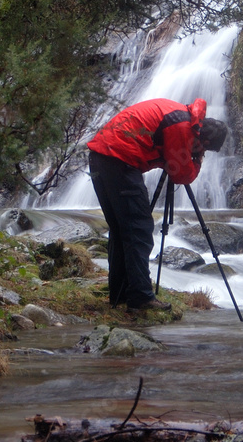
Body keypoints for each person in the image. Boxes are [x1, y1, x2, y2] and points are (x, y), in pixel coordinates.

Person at [87, 97, 228, 312]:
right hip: (119, 159)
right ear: (205, 142)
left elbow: (167, 158)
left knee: (121, 229)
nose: (201, 151)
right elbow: (181, 174)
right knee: (139, 230)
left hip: (101, 155)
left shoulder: (180, 115)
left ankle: (120, 294)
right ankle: (140, 297)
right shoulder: (182, 127)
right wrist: (197, 160)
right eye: (204, 149)